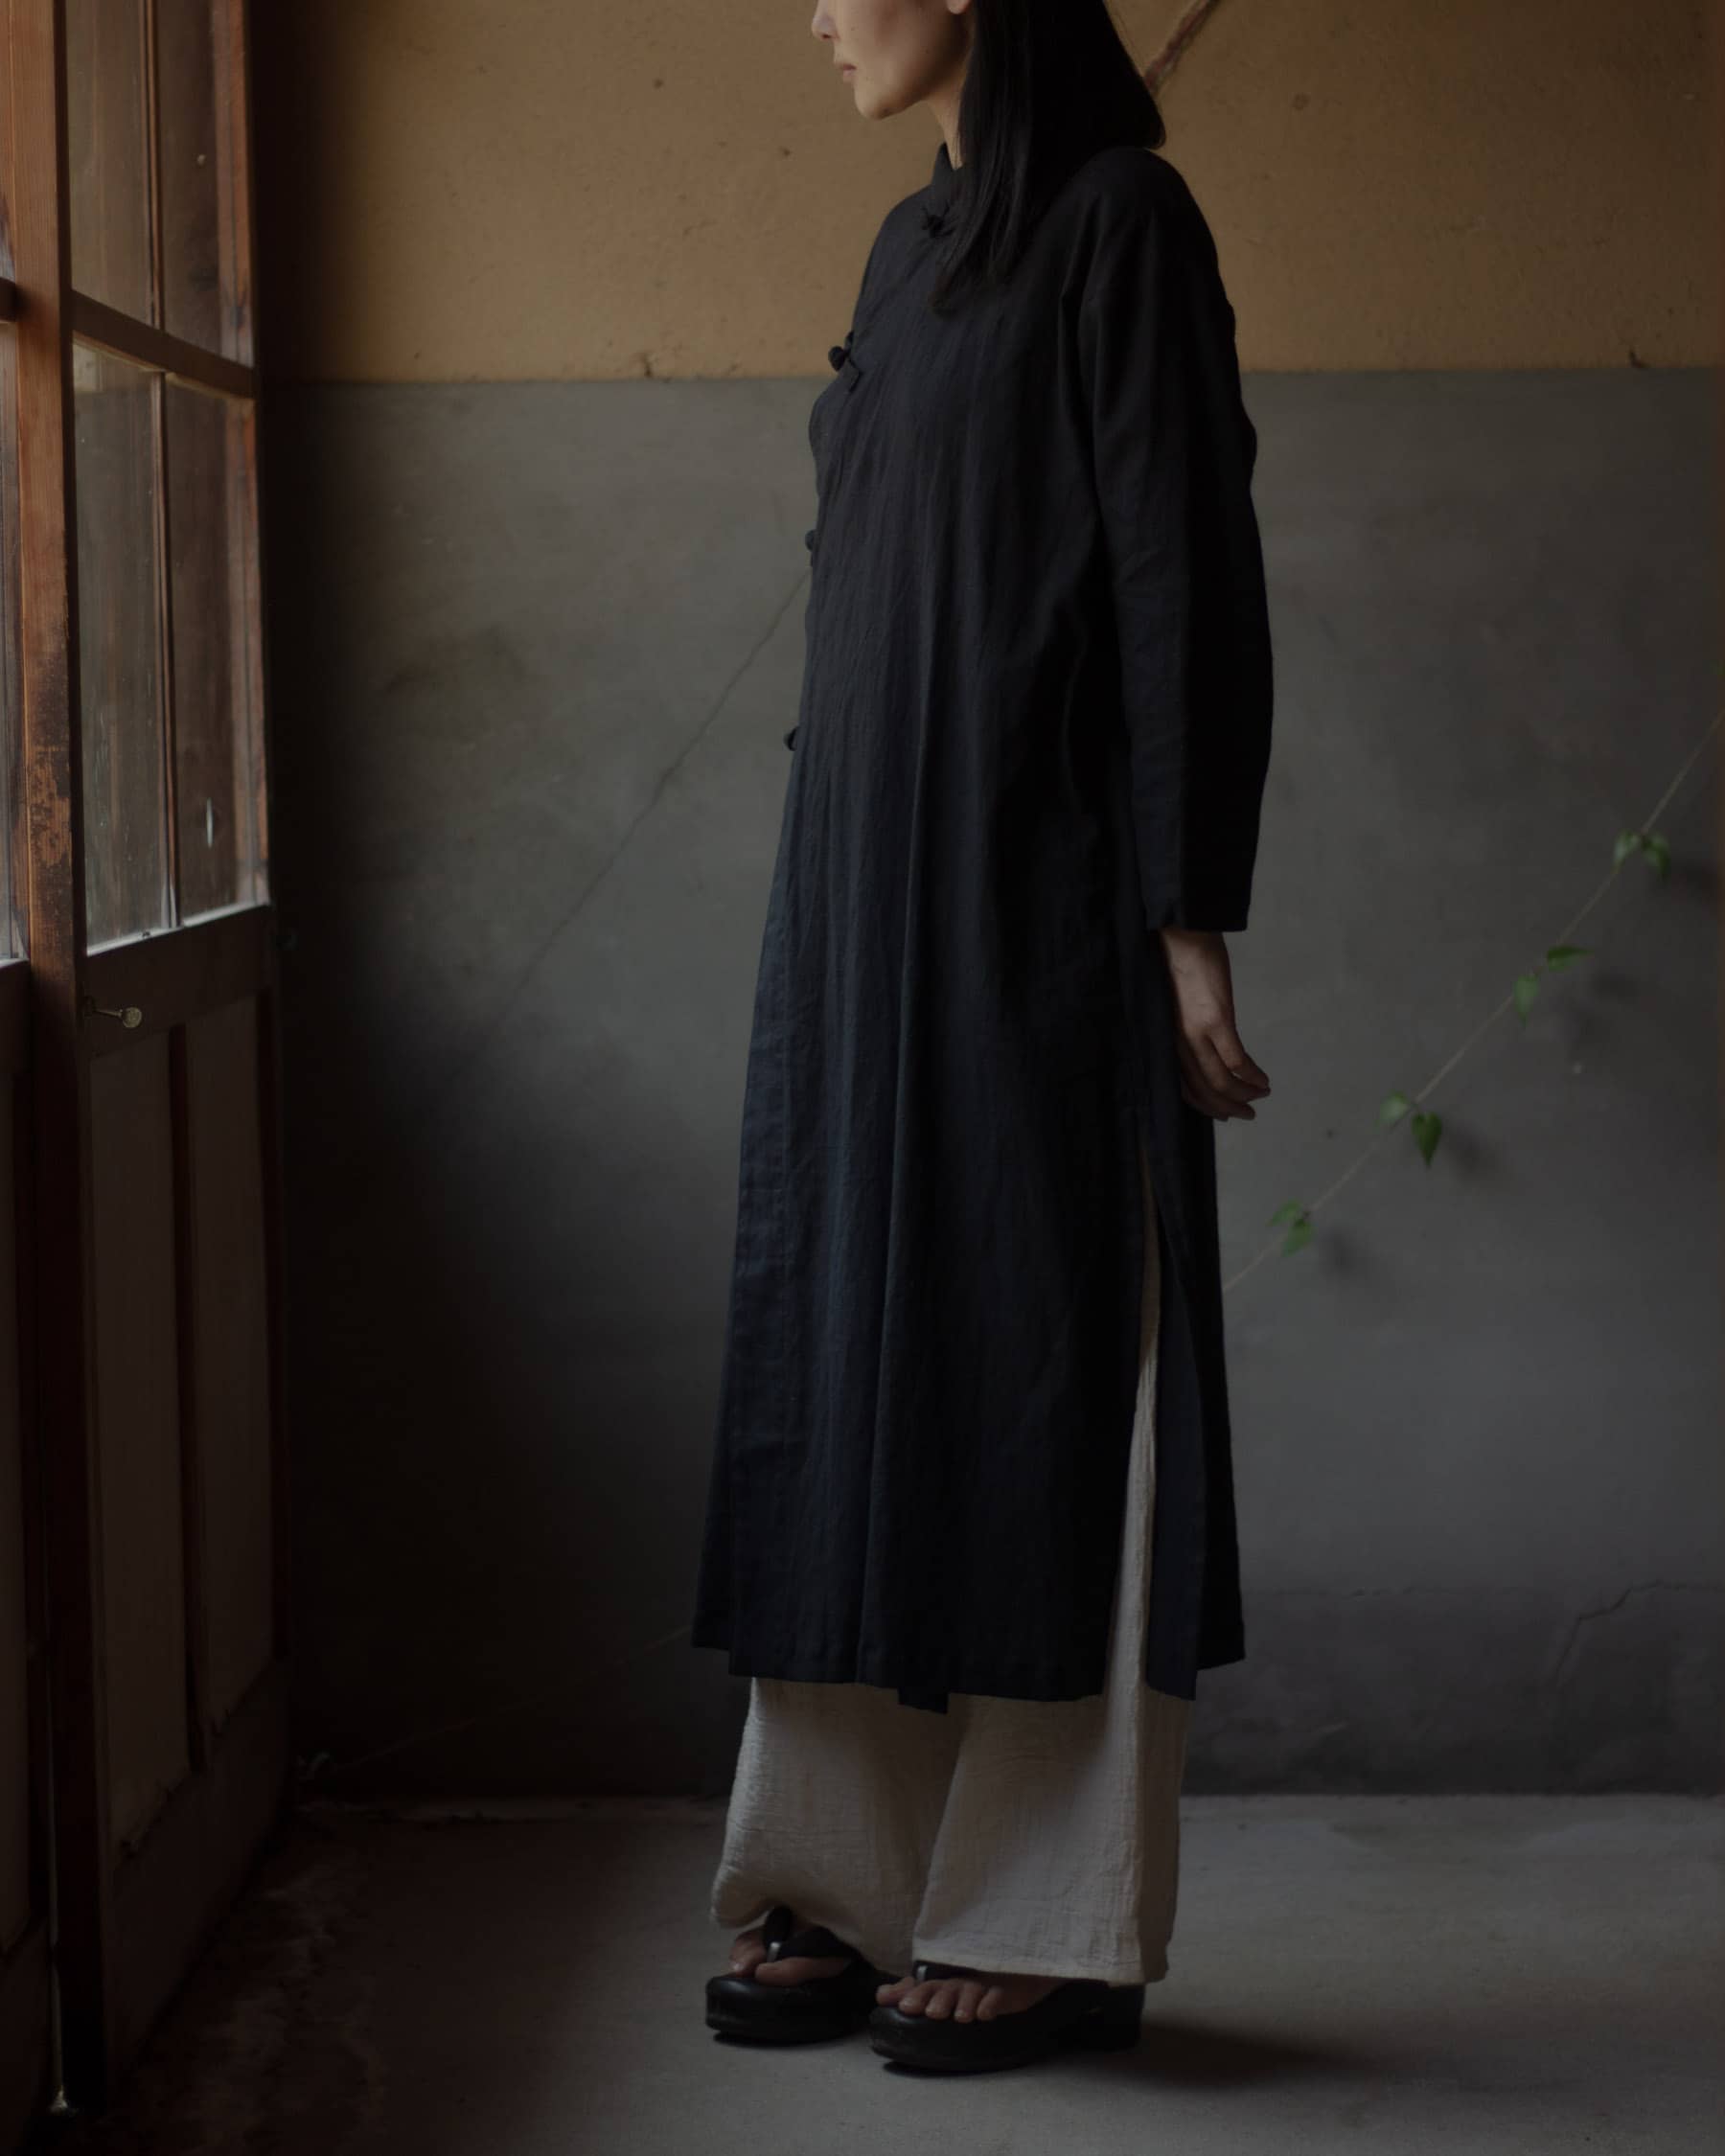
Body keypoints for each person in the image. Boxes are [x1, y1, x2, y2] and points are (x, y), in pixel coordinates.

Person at [691, 0, 1276, 2075]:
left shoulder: (1125, 225)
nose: (814, 13)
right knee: (852, 1363)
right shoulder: (907, 249)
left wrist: (1187, 923)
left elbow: (1180, 570)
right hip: (861, 912)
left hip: (1042, 904)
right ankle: (842, 1881)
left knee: (1054, 1369)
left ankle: (1051, 1916)